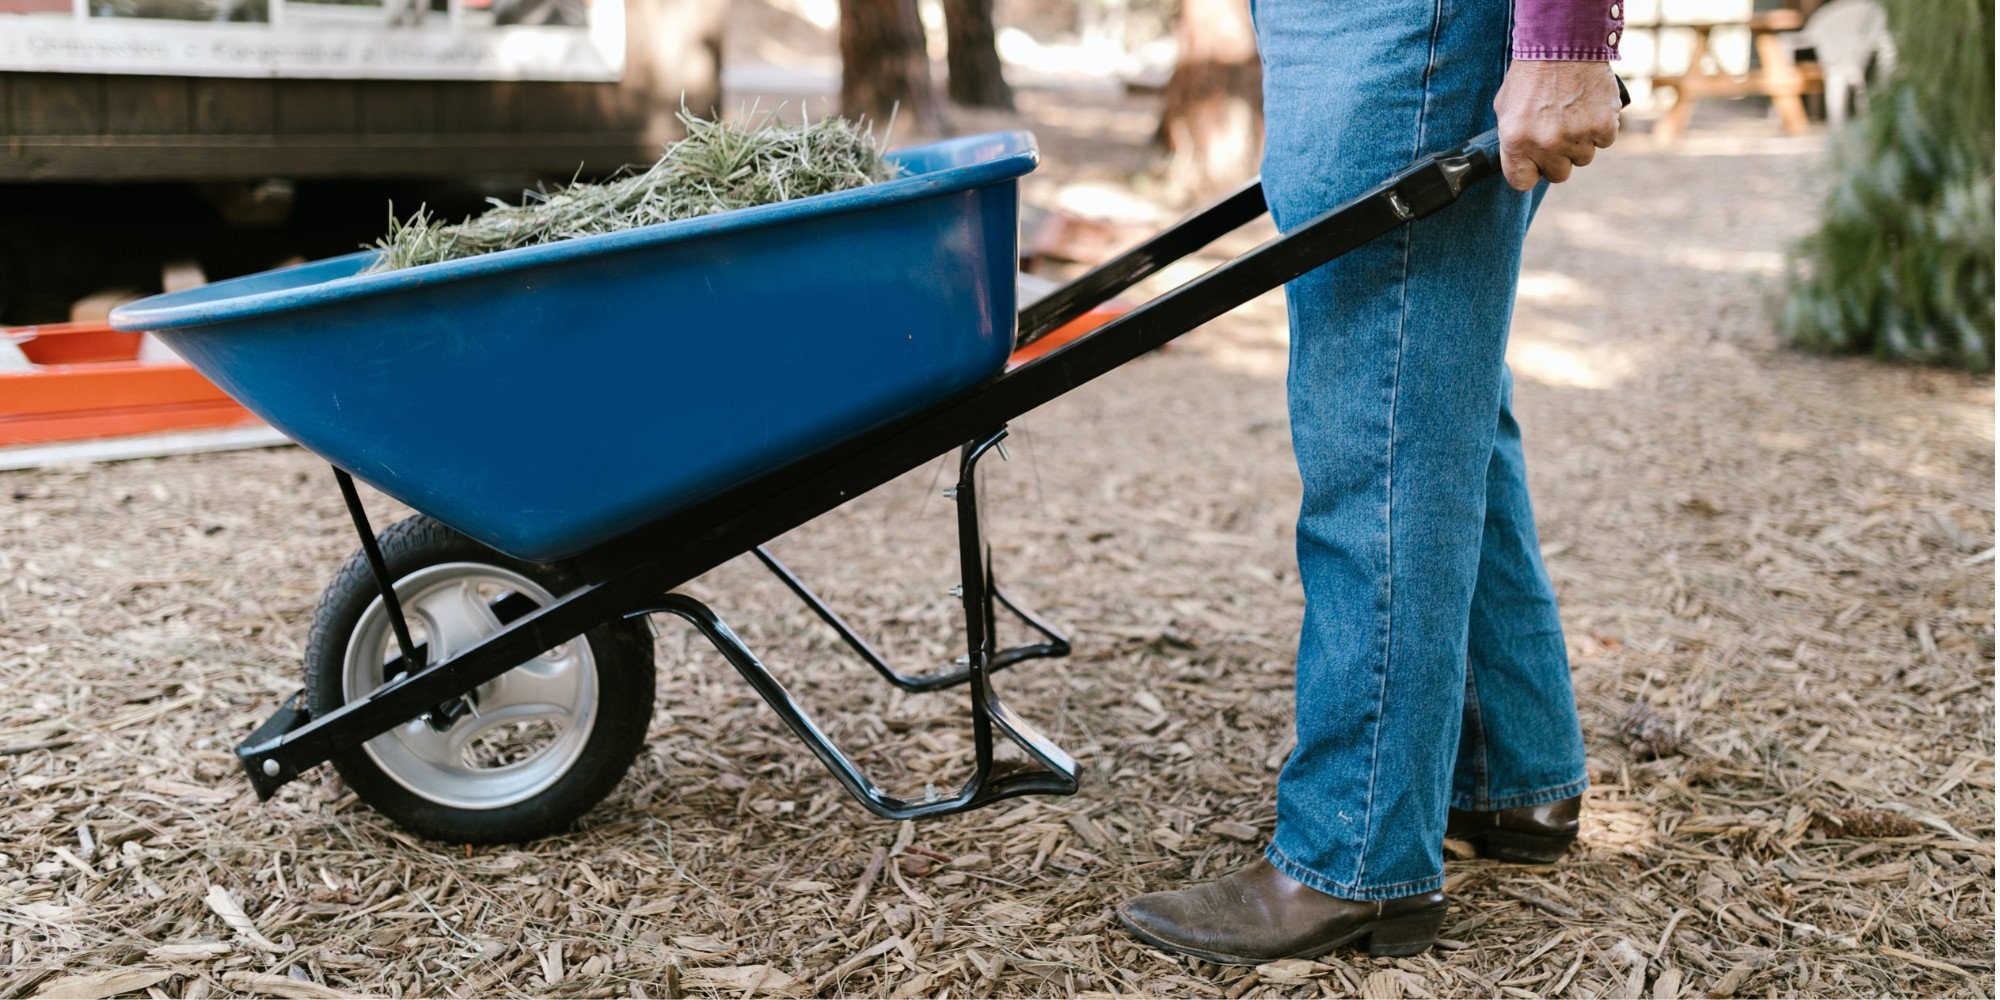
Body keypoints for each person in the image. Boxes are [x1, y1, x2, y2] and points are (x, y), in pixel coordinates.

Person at [1116, 0, 1624, 964]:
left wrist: (1567, 36)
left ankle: (1353, 859)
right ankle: (1511, 772)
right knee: (1425, 373)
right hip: (1373, 24)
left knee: (1379, 402)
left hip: (1404, 24)